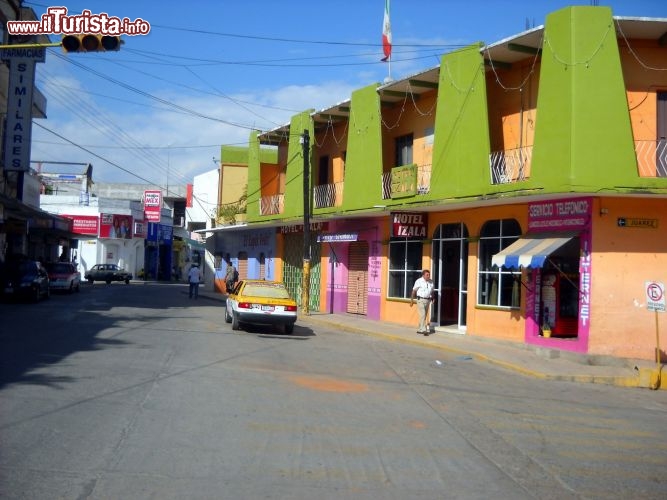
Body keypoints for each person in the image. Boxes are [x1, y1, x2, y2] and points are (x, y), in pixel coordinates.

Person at [410, 269, 434, 335]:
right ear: (423, 275)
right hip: (420, 299)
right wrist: (411, 301)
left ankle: (420, 329)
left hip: (427, 300)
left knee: (423, 315)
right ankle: (424, 330)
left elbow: (432, 291)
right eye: (427, 275)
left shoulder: (431, 282)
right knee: (422, 314)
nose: (428, 276)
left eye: (429, 275)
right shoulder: (419, 281)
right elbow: (414, 291)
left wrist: (432, 298)